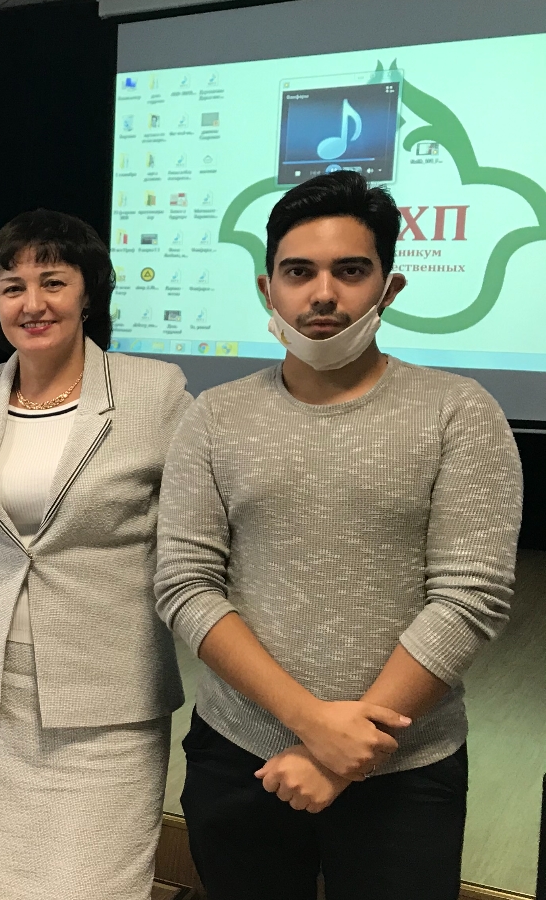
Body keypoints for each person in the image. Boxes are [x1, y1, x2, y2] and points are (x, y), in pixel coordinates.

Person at [155, 171, 523, 900]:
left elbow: (470, 597)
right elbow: (186, 585)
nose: (322, 294)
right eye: (299, 272)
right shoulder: (213, 417)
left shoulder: (459, 412)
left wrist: (341, 756)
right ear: (267, 290)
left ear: (390, 288)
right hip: (241, 756)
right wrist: (313, 726)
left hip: (405, 769)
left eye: (350, 271)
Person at [0, 210, 189, 899]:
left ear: (89, 292)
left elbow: (194, 546)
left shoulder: (156, 394)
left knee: (96, 882)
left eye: (53, 281)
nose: (32, 303)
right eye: (13, 287)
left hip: (108, 702)